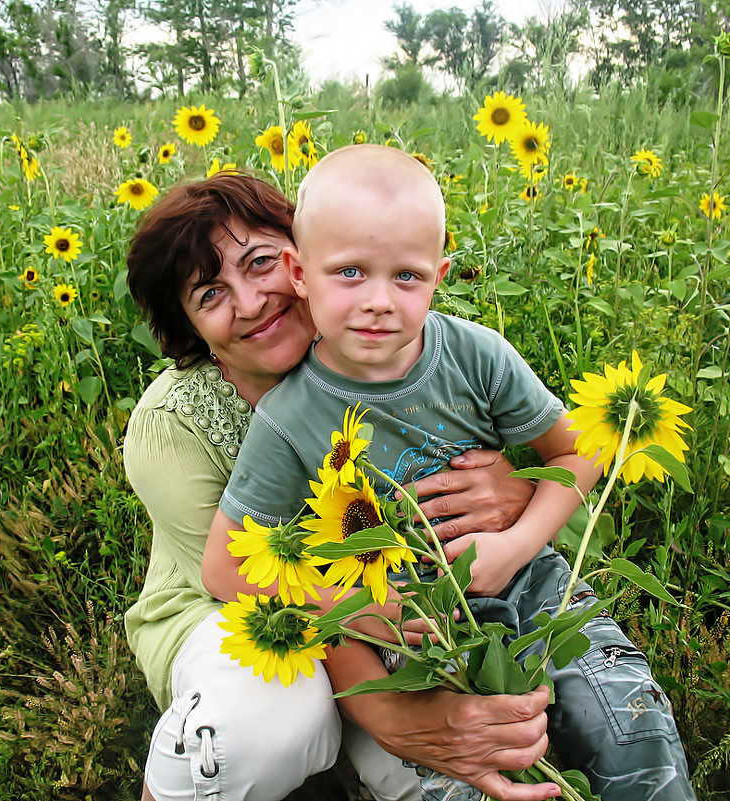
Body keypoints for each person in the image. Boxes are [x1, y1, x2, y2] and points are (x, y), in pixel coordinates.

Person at [204, 145, 697, 801]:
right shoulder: (288, 417)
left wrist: (515, 544)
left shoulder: (476, 355)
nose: (379, 301)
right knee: (474, 772)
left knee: (630, 727)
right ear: (299, 272)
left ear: (439, 275)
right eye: (349, 272)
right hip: (413, 637)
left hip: (535, 587)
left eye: (406, 277)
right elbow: (223, 567)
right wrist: (360, 608)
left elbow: (577, 453)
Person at [123, 171, 559, 801]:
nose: (250, 303)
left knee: (472, 752)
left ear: (304, 261)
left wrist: (512, 490)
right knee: (275, 719)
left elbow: (560, 469)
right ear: (189, 326)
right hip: (248, 615)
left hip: (396, 601)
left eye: (260, 263)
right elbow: (243, 579)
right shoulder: (172, 429)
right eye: (210, 294)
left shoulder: (384, 339)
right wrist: (390, 714)